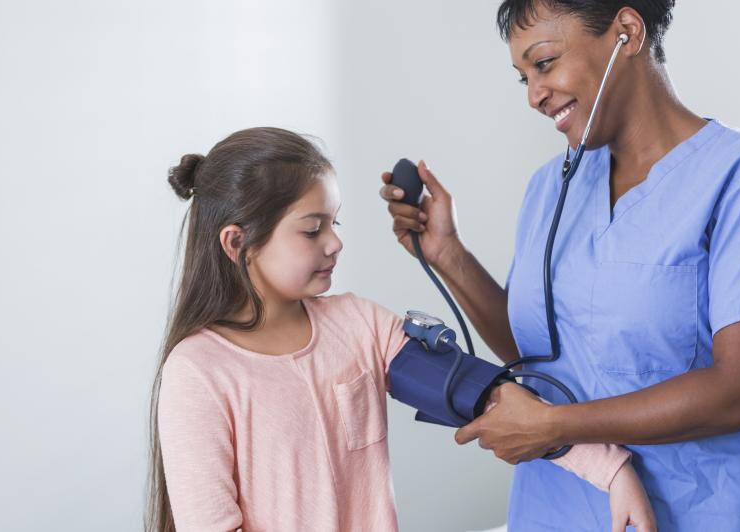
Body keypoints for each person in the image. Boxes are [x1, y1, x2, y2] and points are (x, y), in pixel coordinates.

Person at [379, 1, 740, 530]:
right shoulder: (551, 187)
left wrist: (552, 425)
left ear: (627, 32)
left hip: (720, 508)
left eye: (544, 63)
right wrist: (448, 255)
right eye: (522, 77)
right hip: (561, 505)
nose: (533, 95)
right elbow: (547, 357)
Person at [145, 127, 655, 532]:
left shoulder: (360, 326)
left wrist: (611, 470)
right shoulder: (199, 373)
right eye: (311, 229)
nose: (334, 244)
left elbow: (487, 397)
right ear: (237, 243)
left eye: (335, 223)